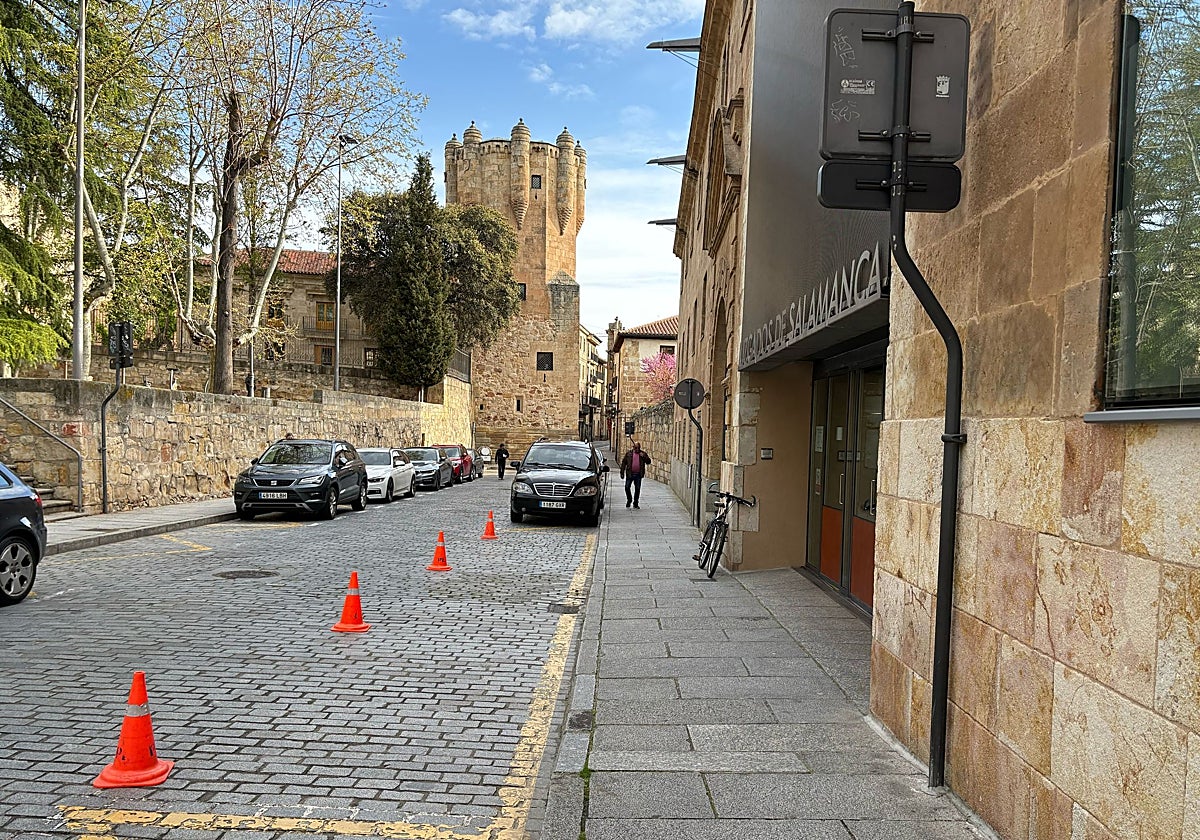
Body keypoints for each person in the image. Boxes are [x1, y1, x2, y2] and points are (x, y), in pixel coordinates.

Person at [619, 442, 652, 509]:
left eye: (638, 448)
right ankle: (629, 499)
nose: (637, 449)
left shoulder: (642, 454)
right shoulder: (629, 454)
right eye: (636, 448)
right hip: (630, 474)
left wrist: (644, 456)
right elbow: (623, 463)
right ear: (633, 447)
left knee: (637, 489)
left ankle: (635, 503)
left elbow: (648, 462)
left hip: (638, 474)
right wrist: (622, 472)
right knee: (627, 487)